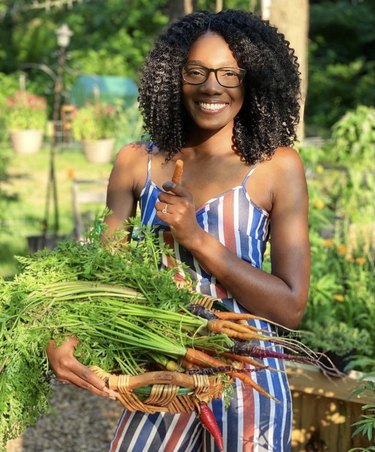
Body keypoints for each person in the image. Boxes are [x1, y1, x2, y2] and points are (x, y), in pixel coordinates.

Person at [47, 9, 310, 451]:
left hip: (249, 378)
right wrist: (63, 335)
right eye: (197, 71)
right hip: (160, 375)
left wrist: (196, 239)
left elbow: (290, 308)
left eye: (230, 73)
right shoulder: (136, 163)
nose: (212, 86)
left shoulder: (276, 168)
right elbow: (102, 274)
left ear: (251, 82)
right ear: (173, 78)